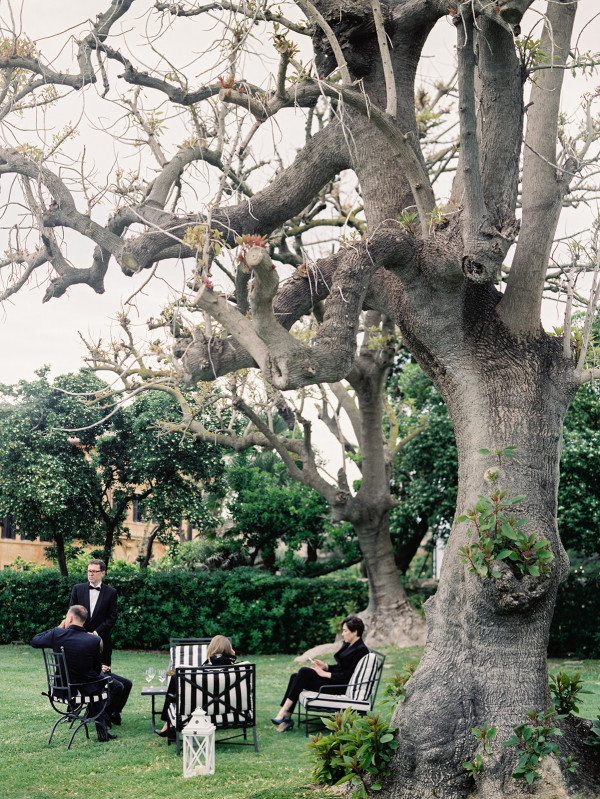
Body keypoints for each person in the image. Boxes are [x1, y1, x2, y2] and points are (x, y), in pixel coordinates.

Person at [31, 605, 124, 741]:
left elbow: (34, 641)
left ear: (70, 618)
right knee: (101, 683)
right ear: (84, 621)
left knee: (96, 683)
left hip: (61, 691)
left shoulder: (58, 634)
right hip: (84, 691)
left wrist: (59, 626)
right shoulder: (94, 640)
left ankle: (99, 724)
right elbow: (96, 669)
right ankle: (102, 731)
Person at [271, 615, 369, 732]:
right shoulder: (350, 645)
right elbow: (340, 668)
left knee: (303, 672)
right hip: (335, 680)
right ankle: (286, 715)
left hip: (340, 687)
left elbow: (346, 676)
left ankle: (284, 713)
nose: (342, 634)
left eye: (345, 631)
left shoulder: (361, 650)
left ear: (355, 632)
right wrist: (326, 667)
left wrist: (324, 674)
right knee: (295, 676)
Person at [156, 635, 236, 739]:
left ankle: (168, 724)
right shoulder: (238, 670)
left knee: (175, 681)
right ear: (229, 650)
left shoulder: (205, 671)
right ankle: (168, 725)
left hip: (201, 709)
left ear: (212, 648)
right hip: (228, 708)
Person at [68, 559, 118, 667]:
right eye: (89, 571)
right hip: (79, 639)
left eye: (94, 571)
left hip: (102, 641)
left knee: (104, 675)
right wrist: (82, 632)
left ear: (103, 573)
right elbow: (72, 613)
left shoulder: (111, 592)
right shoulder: (77, 589)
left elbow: (112, 617)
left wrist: (95, 633)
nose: (91, 573)